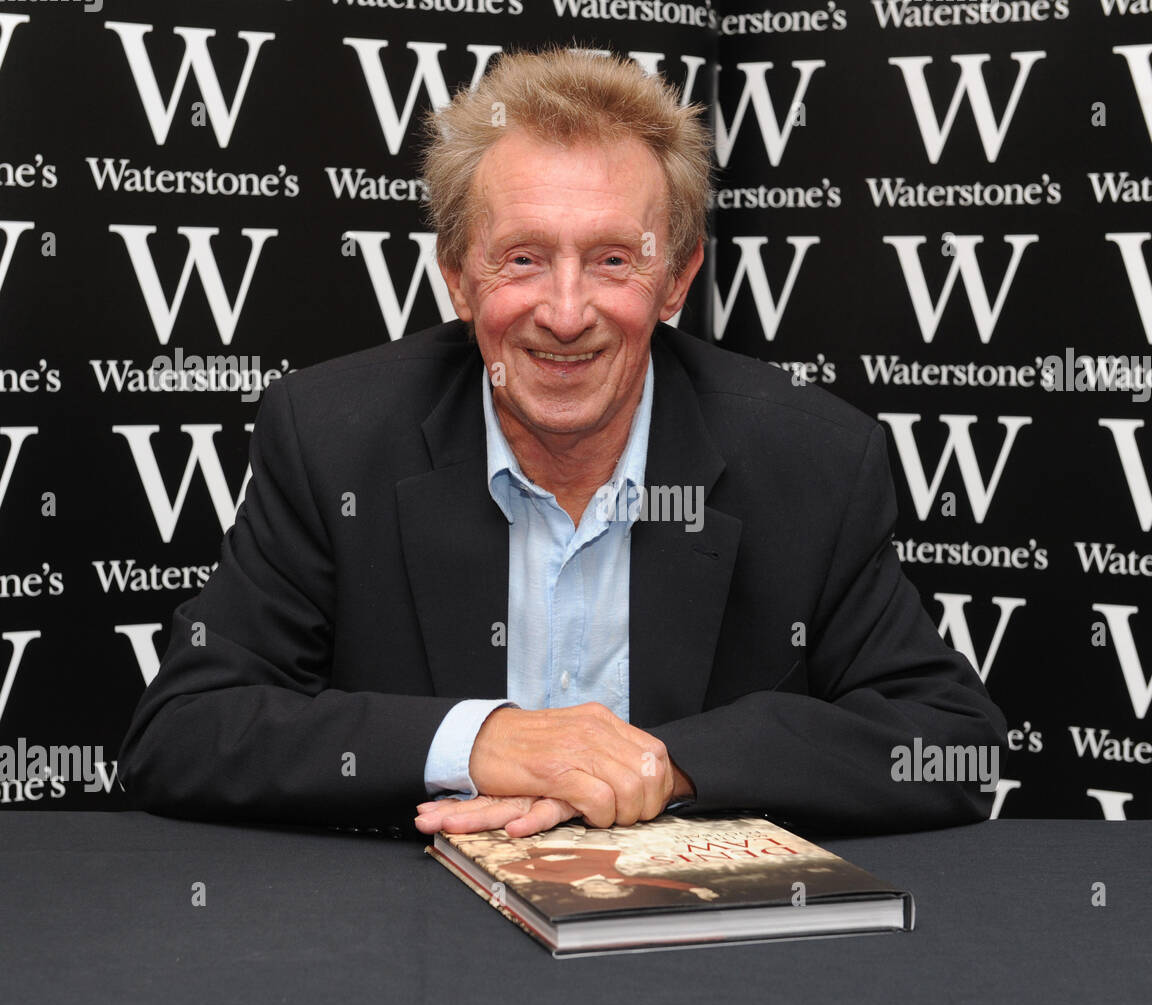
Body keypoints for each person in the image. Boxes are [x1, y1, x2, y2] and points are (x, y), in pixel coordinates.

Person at [119, 48, 1006, 843]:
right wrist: (485, 741)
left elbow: (949, 745)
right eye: (524, 259)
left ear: (677, 278)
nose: (568, 312)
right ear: (458, 276)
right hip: (410, 939)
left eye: (615, 259)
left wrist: (661, 765)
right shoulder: (331, 436)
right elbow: (184, 729)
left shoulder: (809, 459)